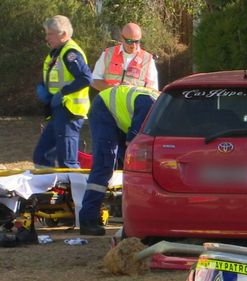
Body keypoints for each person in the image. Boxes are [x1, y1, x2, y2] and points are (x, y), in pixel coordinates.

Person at [79, 85, 158, 235]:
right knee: (104, 165)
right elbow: (132, 143)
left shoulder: (159, 107)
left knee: (128, 167)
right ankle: (88, 219)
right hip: (104, 107)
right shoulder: (150, 107)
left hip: (119, 113)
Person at [33, 15, 92, 168]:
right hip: (58, 111)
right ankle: (49, 189)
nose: (47, 38)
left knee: (67, 161)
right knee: (41, 156)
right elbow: (55, 77)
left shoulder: (70, 53)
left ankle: (73, 191)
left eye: (50, 34)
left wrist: (62, 93)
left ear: (63, 34)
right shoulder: (56, 53)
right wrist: (44, 90)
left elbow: (86, 78)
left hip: (69, 112)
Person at [91, 22, 158, 91]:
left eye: (136, 41)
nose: (133, 45)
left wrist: (133, 90)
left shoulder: (148, 60)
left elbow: (153, 91)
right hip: (110, 101)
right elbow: (94, 80)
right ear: (122, 38)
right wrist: (114, 89)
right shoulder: (107, 54)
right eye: (129, 41)